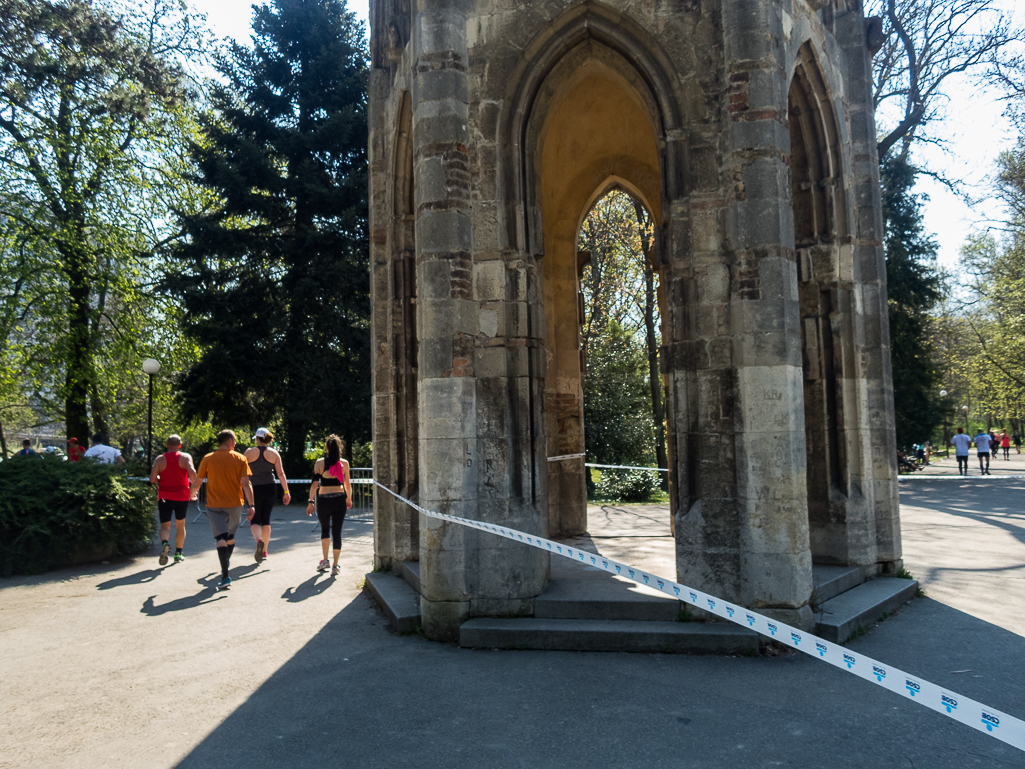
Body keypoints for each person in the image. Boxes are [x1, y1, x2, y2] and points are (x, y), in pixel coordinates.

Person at [196, 430, 256, 590]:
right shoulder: (240, 458)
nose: (235, 443)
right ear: (229, 440)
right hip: (235, 504)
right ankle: (225, 573)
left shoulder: (208, 458)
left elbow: (198, 480)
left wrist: (192, 493)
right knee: (227, 536)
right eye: (234, 440)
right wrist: (251, 505)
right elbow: (246, 483)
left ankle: (225, 572)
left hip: (214, 505)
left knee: (223, 538)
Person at [305, 434, 352, 576]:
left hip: (323, 500)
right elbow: (347, 484)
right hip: (339, 499)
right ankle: (335, 566)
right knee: (337, 531)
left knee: (325, 529)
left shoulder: (319, 463)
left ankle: (325, 560)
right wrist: (349, 498)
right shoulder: (344, 463)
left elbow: (314, 485)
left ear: (326, 448)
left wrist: (310, 502)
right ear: (339, 448)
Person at [149, 435, 199, 565]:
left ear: (167, 445)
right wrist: (194, 489)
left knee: (165, 526)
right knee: (180, 525)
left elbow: (152, 479)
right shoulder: (185, 457)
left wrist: (160, 478)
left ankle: (165, 544)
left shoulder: (160, 459)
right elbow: (193, 474)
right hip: (181, 496)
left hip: (164, 496)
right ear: (180, 445)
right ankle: (178, 553)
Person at [243, 428, 291, 563]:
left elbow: (241, 472)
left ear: (257, 439)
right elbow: (281, 474)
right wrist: (286, 491)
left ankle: (259, 540)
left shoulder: (249, 452)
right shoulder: (274, 454)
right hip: (270, 488)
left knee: (254, 518)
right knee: (266, 519)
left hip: (254, 488)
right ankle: (264, 551)